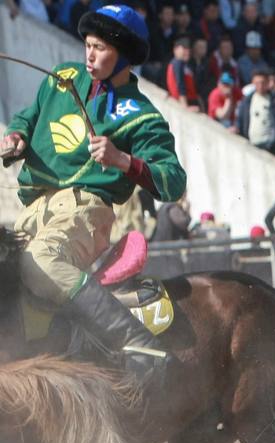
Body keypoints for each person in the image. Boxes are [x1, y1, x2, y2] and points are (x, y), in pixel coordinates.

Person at [1, 3, 186, 383]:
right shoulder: (61, 77)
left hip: (85, 213)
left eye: (100, 47)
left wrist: (123, 160)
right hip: (33, 212)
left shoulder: (142, 114)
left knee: (41, 264)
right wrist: (16, 136)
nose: (89, 53)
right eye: (87, 44)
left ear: (124, 56)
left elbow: (173, 180)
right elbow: (28, 115)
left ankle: (138, 343)